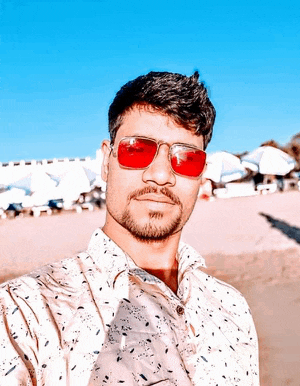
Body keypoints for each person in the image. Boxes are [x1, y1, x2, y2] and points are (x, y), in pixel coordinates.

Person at [0, 71, 259, 385]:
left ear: (201, 174)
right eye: (137, 150)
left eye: (186, 158)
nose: (161, 174)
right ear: (106, 161)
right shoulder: (24, 313)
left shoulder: (231, 307)